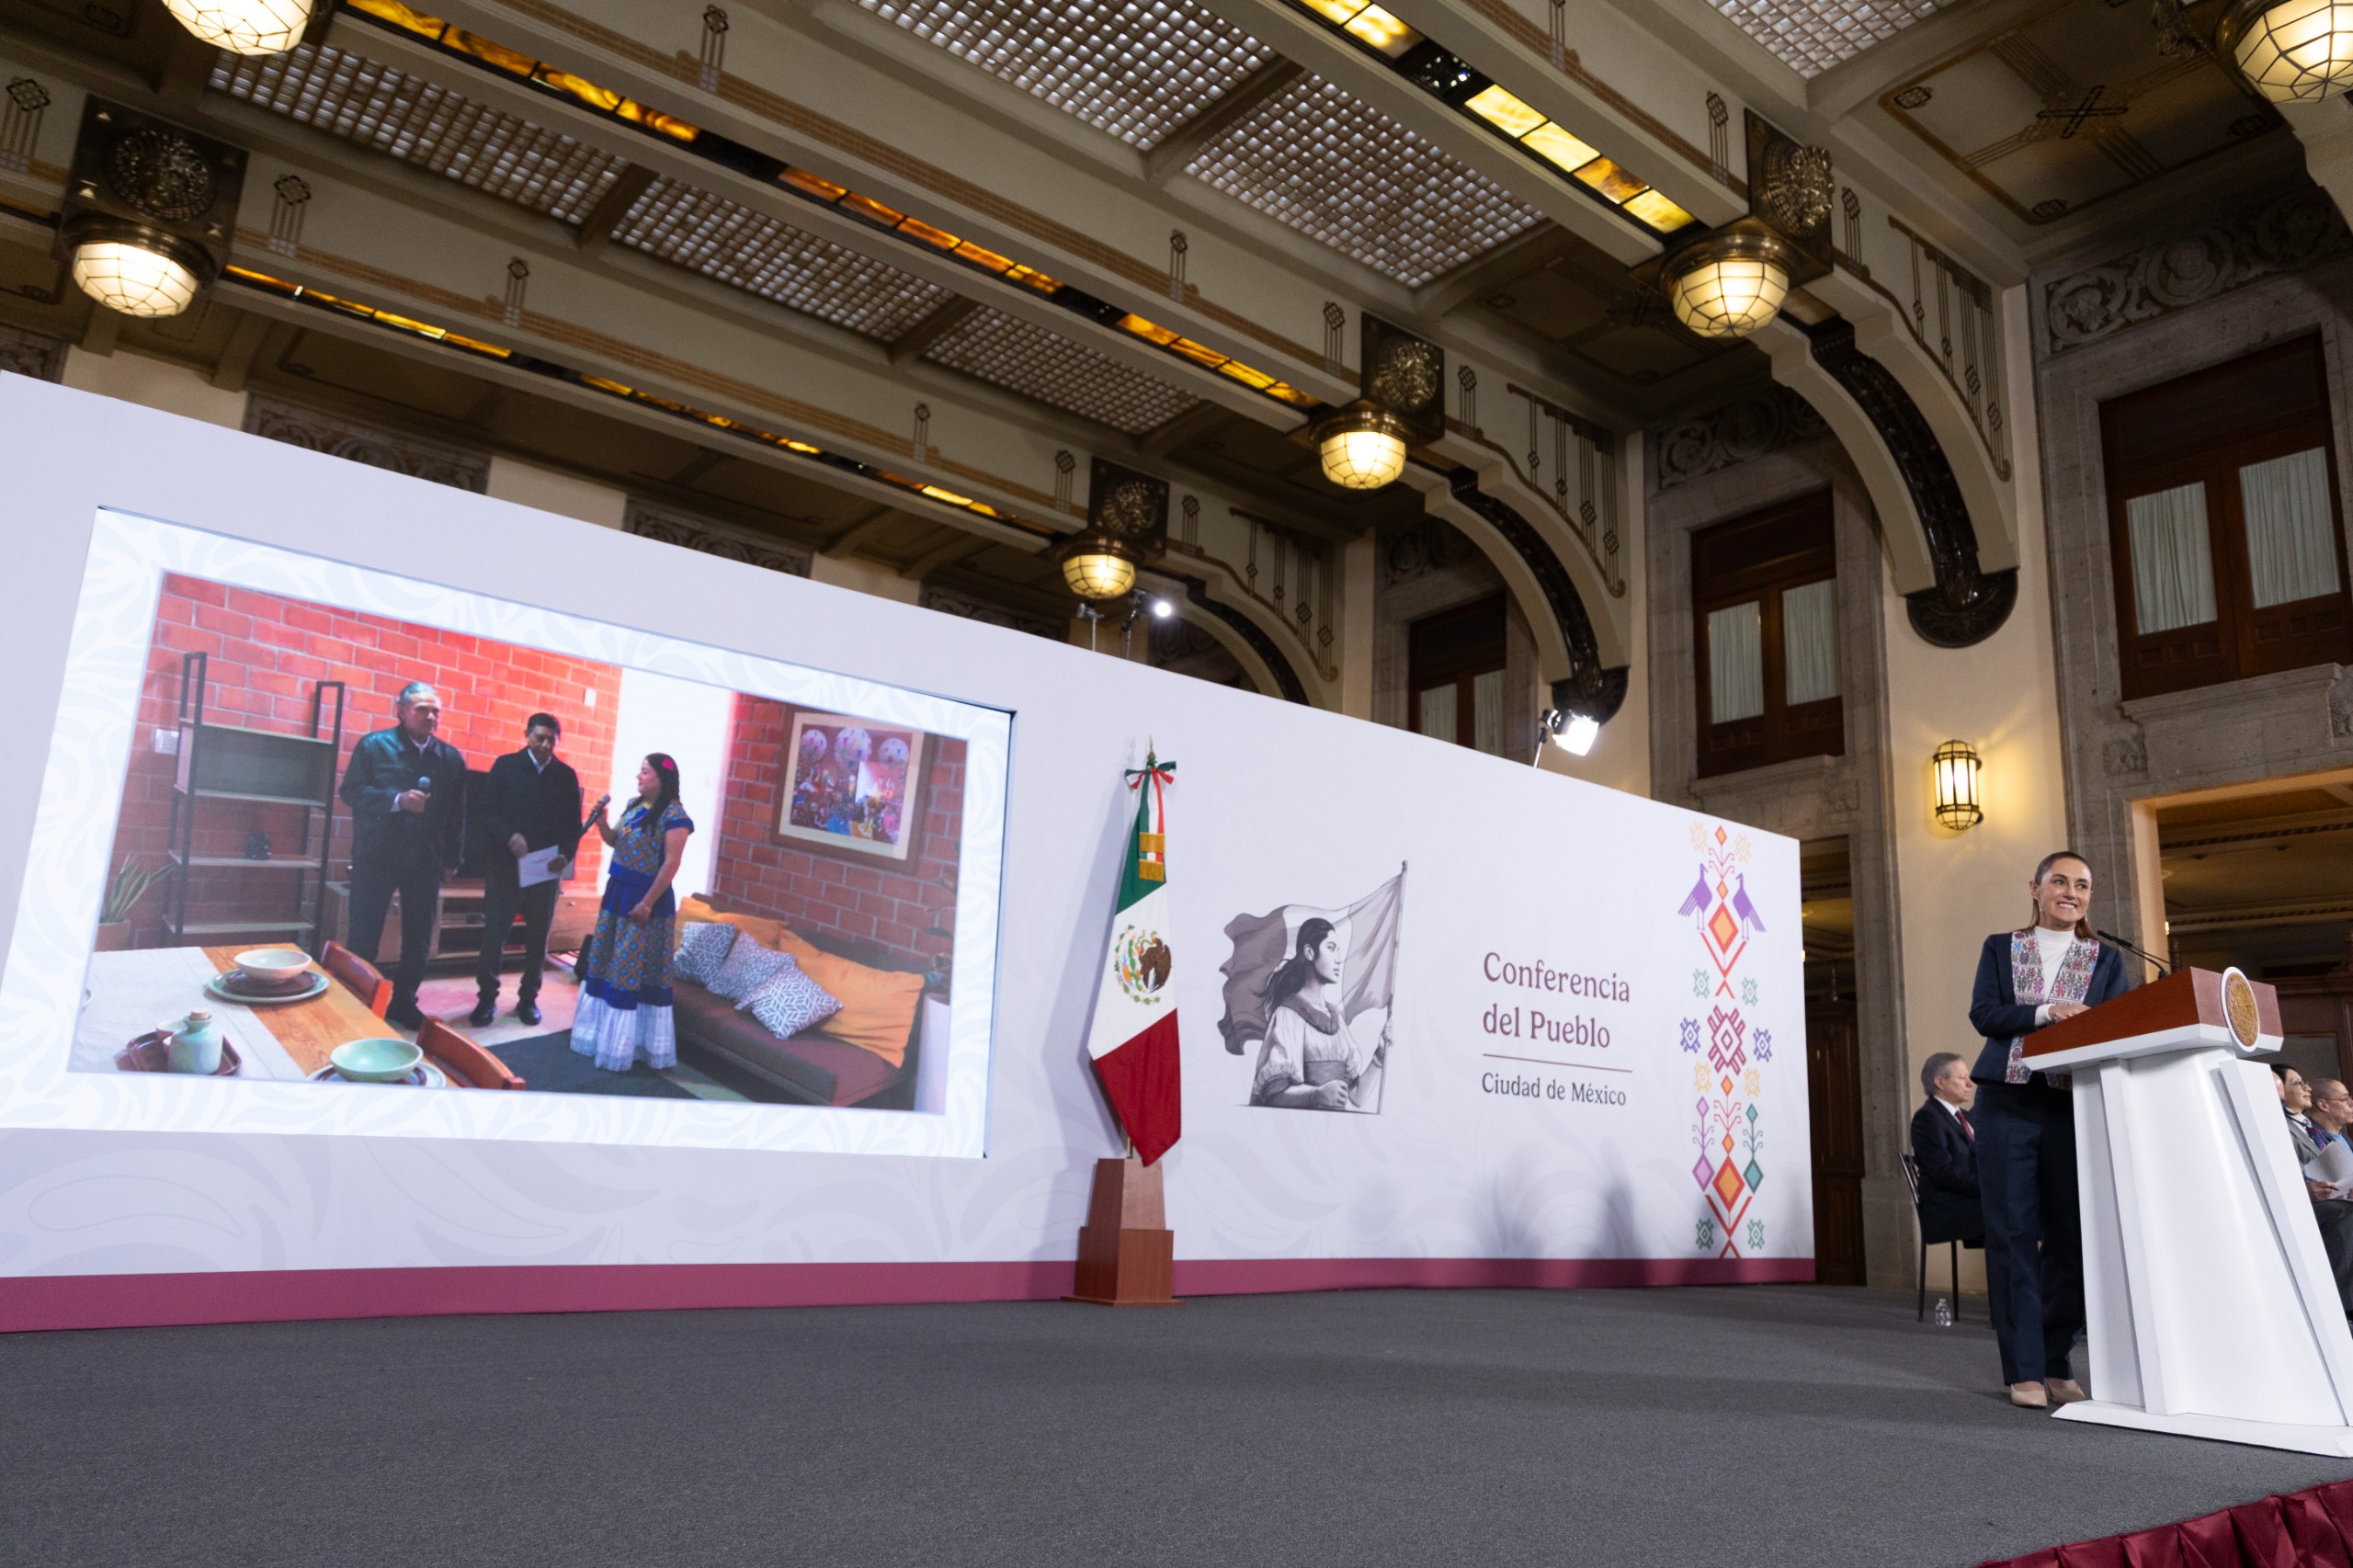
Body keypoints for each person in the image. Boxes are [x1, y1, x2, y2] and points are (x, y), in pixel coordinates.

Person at [1967, 850, 2132, 1412]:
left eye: (2082, 885)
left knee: (2072, 1238)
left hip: (2071, 1105)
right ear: (2035, 888)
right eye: (2059, 881)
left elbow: (2118, 1026)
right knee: (2012, 1234)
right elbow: (1985, 1015)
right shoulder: (2001, 947)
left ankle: (2056, 1356)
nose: (2071, 892)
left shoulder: (2106, 958)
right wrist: (2046, 1012)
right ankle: (2024, 1368)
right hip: (2006, 1103)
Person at [337, 681, 468, 1029]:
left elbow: (458, 814)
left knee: (419, 935)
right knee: (365, 931)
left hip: (425, 859)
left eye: (436, 711)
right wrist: (397, 801)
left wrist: (452, 859)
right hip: (376, 855)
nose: (431, 716)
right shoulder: (374, 746)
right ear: (401, 711)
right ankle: (357, 998)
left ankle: (404, 1002)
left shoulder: (450, 758)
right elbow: (350, 791)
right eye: (422, 709)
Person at [572, 754, 692, 1073]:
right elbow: (616, 841)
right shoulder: (633, 806)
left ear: (661, 779)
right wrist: (601, 822)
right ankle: (599, 1035)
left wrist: (648, 903)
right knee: (606, 960)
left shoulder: (675, 816)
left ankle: (628, 1046)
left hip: (646, 900)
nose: (639, 776)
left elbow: (671, 864)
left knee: (630, 969)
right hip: (618, 892)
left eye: (645, 772)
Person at [470, 712, 585, 1028]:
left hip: (545, 870)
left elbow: (572, 826)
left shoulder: (566, 776)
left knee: (537, 937)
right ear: (527, 735)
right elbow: (486, 812)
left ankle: (528, 999)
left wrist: (565, 855)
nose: (545, 745)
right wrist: (509, 836)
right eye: (539, 738)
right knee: (495, 933)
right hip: (505, 865)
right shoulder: (506, 766)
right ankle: (486, 998)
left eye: (551, 740)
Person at [1249, 916, 1390, 1110]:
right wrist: (1316, 1094)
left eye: (1338, 951)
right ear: (1309, 952)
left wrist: (1379, 1056)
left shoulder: (1336, 1018)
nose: (1338, 959)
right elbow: (1274, 1095)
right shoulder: (1288, 1015)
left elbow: (1357, 1097)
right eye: (1331, 948)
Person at [2275, 1065, 2353, 1324]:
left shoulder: (2310, 1128)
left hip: (2328, 1195)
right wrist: (2304, 1189)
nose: (2306, 1088)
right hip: (2301, 1205)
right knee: (2346, 1213)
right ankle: (2344, 1310)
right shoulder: (2281, 1126)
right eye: (2298, 1083)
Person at [1910, 1051, 1984, 1247]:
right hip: (1948, 1206)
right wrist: (1987, 1187)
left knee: (2024, 1203)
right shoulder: (1927, 1118)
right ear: (1940, 1083)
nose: (1970, 1084)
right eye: (1962, 1078)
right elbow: (1942, 1172)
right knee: (2013, 1213)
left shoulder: (1965, 1116)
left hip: (1969, 1199)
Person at [2313, 1078, 2353, 1149]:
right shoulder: (2312, 1139)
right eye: (2344, 1099)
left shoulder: (2346, 1138)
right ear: (2323, 1105)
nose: (2351, 1103)